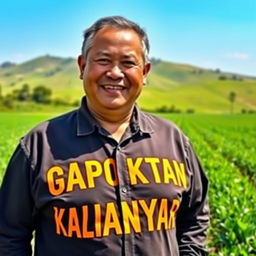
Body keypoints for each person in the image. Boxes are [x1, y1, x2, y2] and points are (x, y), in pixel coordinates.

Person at [0, 16, 209, 255]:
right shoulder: (39, 145)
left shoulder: (174, 141)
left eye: (128, 63)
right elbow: (9, 237)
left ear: (145, 72)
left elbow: (194, 218)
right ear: (82, 66)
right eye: (103, 60)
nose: (115, 73)